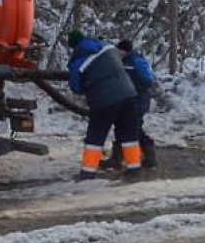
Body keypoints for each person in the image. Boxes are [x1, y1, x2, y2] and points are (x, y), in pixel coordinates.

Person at [66, 30, 141, 179]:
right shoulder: (106, 46)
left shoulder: (77, 61)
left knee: (95, 136)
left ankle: (88, 172)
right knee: (129, 134)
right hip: (129, 95)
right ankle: (134, 168)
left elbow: (75, 87)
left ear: (74, 46)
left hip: (105, 101)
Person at [118, 39, 158, 168]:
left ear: (124, 51)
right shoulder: (123, 61)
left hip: (138, 100)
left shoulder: (136, 60)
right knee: (124, 127)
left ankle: (149, 154)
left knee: (134, 128)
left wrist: (135, 89)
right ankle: (119, 156)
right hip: (129, 100)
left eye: (119, 51)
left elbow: (148, 79)